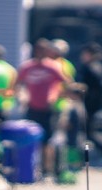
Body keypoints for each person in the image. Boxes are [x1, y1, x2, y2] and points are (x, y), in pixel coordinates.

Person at [17, 39, 67, 177]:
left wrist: (55, 94)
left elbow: (66, 83)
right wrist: (22, 96)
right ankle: (30, 168)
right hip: (32, 107)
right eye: (38, 50)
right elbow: (17, 83)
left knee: (47, 140)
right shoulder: (27, 67)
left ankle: (47, 169)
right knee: (30, 138)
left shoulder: (53, 67)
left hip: (47, 108)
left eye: (43, 50)